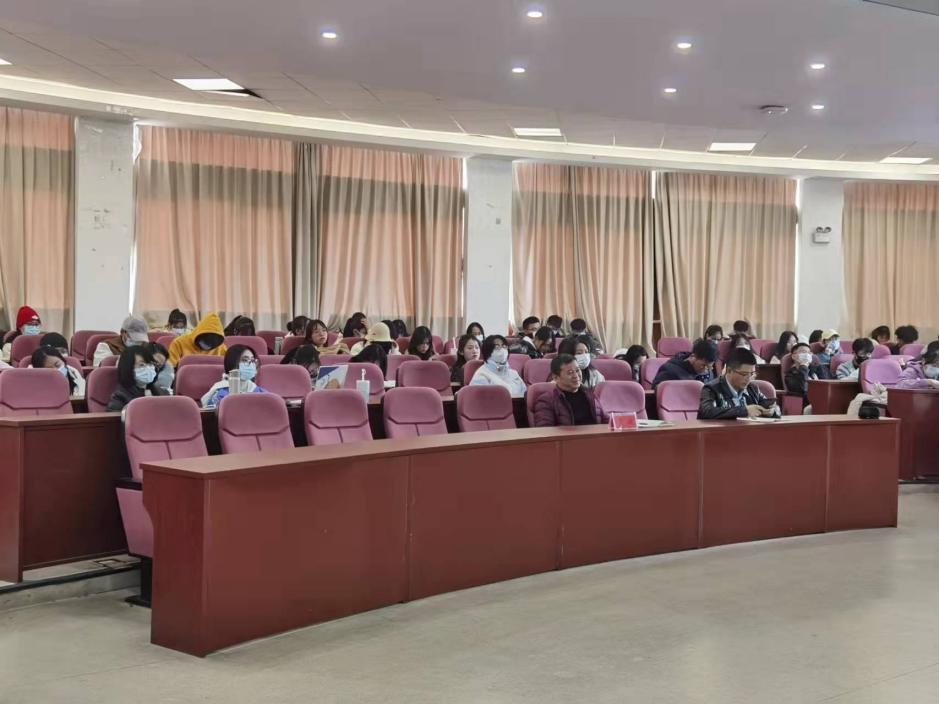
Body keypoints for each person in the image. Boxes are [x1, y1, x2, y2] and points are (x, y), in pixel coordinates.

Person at [698, 348, 779, 420]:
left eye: (752, 374)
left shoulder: (752, 388)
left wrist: (773, 410)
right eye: (744, 374)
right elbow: (707, 412)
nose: (748, 379)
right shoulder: (711, 388)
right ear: (729, 371)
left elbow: (769, 405)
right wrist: (744, 411)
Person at [533, 354, 606, 427]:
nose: (576, 375)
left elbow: (606, 420)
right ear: (555, 377)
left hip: (596, 433)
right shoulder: (547, 400)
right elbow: (544, 429)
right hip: (567, 434)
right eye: (570, 372)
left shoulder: (590, 394)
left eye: (577, 370)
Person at [201, 345, 266, 408]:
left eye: (252, 360)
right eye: (244, 360)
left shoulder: (258, 391)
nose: (251, 364)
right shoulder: (221, 394)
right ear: (232, 363)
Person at [106, 346, 167, 412]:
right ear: (128, 368)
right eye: (142, 365)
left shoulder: (162, 393)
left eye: (150, 364)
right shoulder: (119, 397)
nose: (148, 368)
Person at [652, 338, 717, 389]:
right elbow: (657, 389)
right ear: (693, 356)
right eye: (703, 365)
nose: (705, 370)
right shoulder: (670, 370)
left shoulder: (708, 372)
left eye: (709, 367)